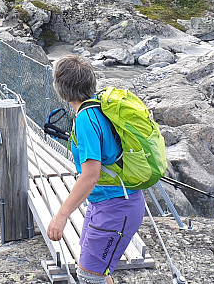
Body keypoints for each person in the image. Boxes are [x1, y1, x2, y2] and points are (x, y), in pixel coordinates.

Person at [46, 55, 145, 284]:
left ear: (61, 89)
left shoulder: (85, 120)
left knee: (89, 276)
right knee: (96, 272)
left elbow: (91, 176)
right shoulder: (99, 106)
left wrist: (61, 216)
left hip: (116, 207)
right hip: (109, 203)